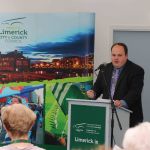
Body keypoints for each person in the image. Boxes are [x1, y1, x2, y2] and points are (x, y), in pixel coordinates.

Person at [87, 42, 144, 127]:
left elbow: (135, 92)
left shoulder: (136, 70)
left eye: (119, 55)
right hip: (106, 116)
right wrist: (93, 92)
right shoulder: (105, 68)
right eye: (113, 55)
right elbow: (98, 86)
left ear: (126, 55)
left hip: (130, 118)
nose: (116, 58)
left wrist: (122, 102)